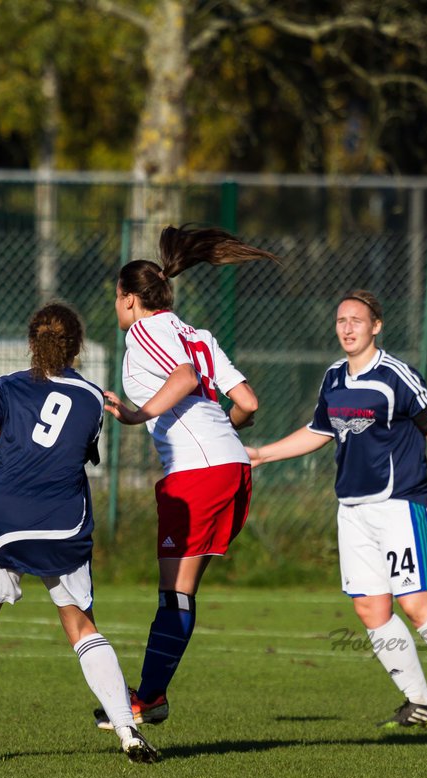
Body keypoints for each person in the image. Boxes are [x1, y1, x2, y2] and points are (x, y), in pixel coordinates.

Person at [247, 290, 427, 732]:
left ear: (376, 326)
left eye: (357, 320)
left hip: (400, 504)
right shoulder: (333, 378)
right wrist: (262, 454)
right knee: (370, 609)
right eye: (341, 320)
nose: (347, 328)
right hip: (352, 509)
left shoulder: (396, 375)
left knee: (416, 604)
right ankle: (420, 702)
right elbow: (318, 431)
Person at [0, 303, 158, 763]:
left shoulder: (4, 388)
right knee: (81, 627)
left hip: (3, 524)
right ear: (77, 347)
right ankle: (127, 729)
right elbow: (81, 453)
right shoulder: (92, 398)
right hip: (63, 525)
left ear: (32, 342)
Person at [96, 225, 275, 728]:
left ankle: (148, 698)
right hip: (230, 467)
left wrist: (135, 414)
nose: (115, 307)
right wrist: (221, 436)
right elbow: (249, 404)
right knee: (179, 590)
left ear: (131, 300)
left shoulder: (145, 332)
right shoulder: (197, 333)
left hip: (200, 474)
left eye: (116, 297)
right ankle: (150, 696)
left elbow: (185, 378)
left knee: (174, 592)